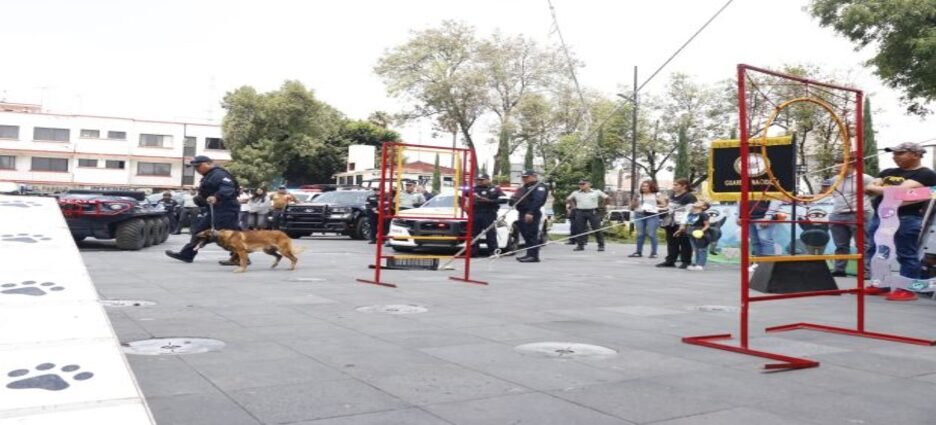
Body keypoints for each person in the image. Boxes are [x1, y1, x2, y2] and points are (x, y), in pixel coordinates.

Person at [866, 142, 936, 301]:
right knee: (876, 251)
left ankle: (907, 289)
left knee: (906, 253)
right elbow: (868, 188)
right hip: (881, 216)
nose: (895, 156)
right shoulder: (887, 171)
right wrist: (889, 192)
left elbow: (899, 192)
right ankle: (879, 284)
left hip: (907, 217)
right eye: (894, 153)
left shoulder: (925, 174)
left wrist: (883, 190)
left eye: (900, 153)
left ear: (916, 154)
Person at [165, 156, 242, 264]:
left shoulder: (219, 174)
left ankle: (240, 258)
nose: (197, 169)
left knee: (229, 236)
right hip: (214, 210)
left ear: (208, 163)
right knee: (199, 232)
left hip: (226, 210)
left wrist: (216, 197)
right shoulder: (209, 176)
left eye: (198, 166)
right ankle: (187, 255)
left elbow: (228, 189)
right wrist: (200, 199)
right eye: (195, 167)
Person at [828, 152, 874, 277]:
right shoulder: (834, 179)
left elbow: (874, 192)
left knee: (863, 244)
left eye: (840, 165)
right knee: (840, 245)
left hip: (859, 213)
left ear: (851, 165)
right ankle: (839, 269)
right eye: (836, 166)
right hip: (837, 214)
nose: (837, 168)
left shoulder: (865, 178)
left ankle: (866, 271)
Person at [657, 178, 697, 269]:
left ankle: (686, 261)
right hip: (671, 222)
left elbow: (689, 211)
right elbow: (670, 207)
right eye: (674, 184)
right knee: (671, 242)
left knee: (684, 242)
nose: (674, 186)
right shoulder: (673, 195)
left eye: (676, 185)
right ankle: (670, 260)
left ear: (684, 186)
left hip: (682, 222)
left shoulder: (689, 196)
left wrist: (683, 224)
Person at [511, 169, 549, 263]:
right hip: (522, 212)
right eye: (523, 177)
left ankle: (534, 256)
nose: (524, 179)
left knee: (531, 234)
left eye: (526, 177)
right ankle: (529, 254)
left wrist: (530, 212)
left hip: (531, 213)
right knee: (526, 234)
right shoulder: (525, 187)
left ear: (534, 176)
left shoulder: (539, 186)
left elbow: (538, 200)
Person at [566, 179, 610, 252]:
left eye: (583, 184)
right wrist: (573, 206)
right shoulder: (576, 193)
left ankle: (601, 245)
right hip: (580, 212)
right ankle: (580, 245)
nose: (581, 185)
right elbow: (568, 199)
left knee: (597, 228)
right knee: (580, 229)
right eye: (580, 184)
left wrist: (603, 206)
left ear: (589, 184)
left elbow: (607, 198)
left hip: (592, 211)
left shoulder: (596, 191)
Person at [629, 180, 667, 258]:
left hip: (652, 215)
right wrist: (635, 200)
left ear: (651, 186)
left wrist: (653, 207)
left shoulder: (656, 194)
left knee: (651, 233)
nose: (644, 188)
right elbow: (632, 207)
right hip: (639, 214)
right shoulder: (639, 195)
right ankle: (638, 252)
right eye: (643, 186)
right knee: (640, 234)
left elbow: (664, 205)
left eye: (646, 186)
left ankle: (654, 252)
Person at [468, 174, 504, 256]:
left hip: (489, 213)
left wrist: (489, 201)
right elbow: (464, 198)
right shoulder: (473, 189)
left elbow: (502, 200)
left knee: (490, 233)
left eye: (482, 180)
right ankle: (474, 252)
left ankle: (493, 251)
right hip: (476, 213)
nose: (480, 181)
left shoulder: (495, 189)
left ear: (488, 180)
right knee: (474, 233)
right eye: (478, 180)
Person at [676, 200, 711, 271]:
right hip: (690, 233)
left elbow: (707, 225)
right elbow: (686, 223)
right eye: (696, 201)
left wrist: (701, 231)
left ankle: (700, 265)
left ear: (704, 207)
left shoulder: (703, 214)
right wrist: (680, 230)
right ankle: (696, 263)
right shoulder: (690, 213)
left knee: (702, 249)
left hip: (699, 234)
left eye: (700, 202)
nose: (696, 202)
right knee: (696, 249)